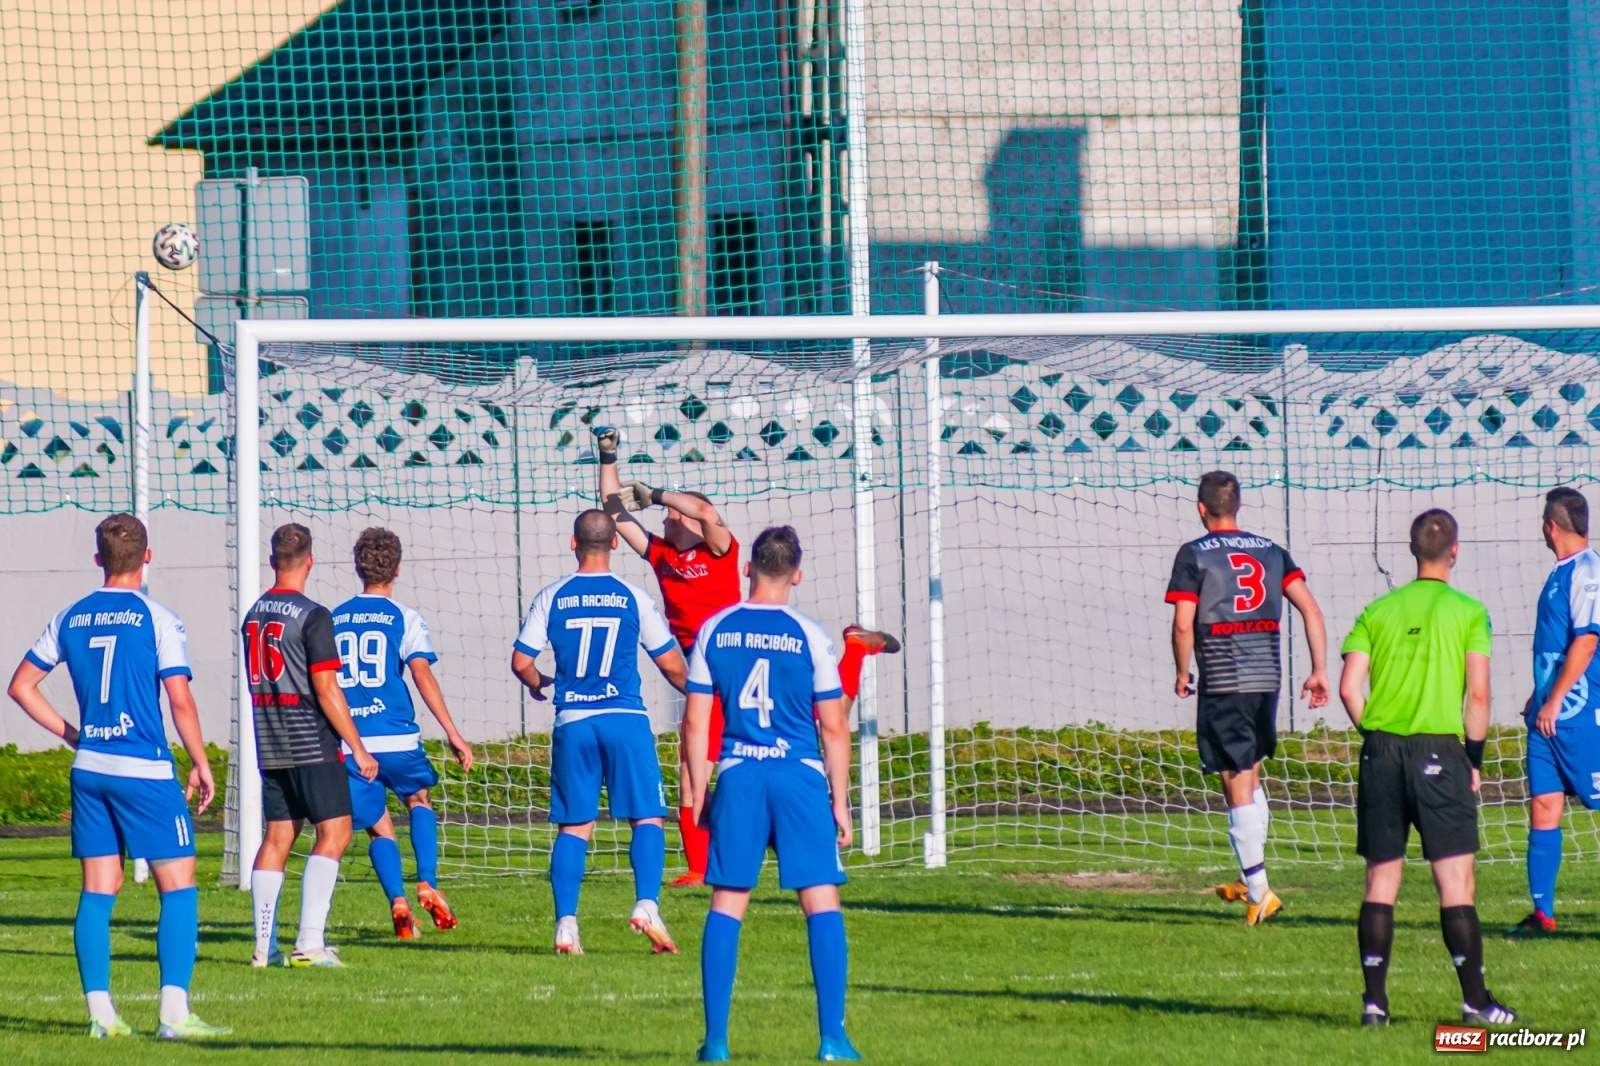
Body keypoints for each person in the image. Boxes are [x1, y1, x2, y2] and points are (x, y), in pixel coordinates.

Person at [594, 425, 898, 886]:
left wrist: (657, 494)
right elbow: (613, 513)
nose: (668, 521)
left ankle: (853, 651)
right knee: (691, 765)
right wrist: (608, 456)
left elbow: (703, 509)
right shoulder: (660, 556)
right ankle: (699, 867)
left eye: (677, 517)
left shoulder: (720, 550)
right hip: (707, 672)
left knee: (825, 718)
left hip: (742, 657)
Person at [6, 514, 229, 1039]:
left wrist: (71, 733)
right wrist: (199, 760)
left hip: (90, 770)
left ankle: (101, 1017)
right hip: (144, 770)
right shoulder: (159, 618)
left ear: (97, 560)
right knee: (179, 885)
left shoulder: (69, 616)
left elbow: (20, 686)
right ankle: (174, 1015)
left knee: (97, 890)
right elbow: (179, 698)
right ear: (147, 557)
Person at [685, 525, 860, 1063]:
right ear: (797, 575)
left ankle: (716, 1045)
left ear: (748, 568)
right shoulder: (810, 634)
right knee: (820, 900)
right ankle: (832, 1040)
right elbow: (833, 727)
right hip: (799, 776)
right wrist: (841, 801)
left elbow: (695, 721)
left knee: (728, 902)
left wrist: (697, 791)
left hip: (738, 773)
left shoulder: (714, 629)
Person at [1338, 508, 1516, 1028]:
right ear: (1454, 551)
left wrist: (1374, 736)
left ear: (1412, 551)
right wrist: (1475, 761)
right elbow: (1478, 694)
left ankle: (1374, 1004)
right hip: (1440, 751)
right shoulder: (1468, 611)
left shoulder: (1378, 609)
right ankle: (1476, 1002)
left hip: (1381, 751)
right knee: (1455, 882)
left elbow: (1350, 688)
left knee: (1380, 881)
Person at [511, 509, 689, 954]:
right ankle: (646, 903)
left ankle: (566, 925)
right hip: (625, 719)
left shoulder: (552, 595)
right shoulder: (633, 596)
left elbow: (520, 661)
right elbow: (669, 663)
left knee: (575, 826)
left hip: (574, 721)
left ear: (574, 544)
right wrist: (704, 695)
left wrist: (538, 684)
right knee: (647, 816)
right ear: (614, 544)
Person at [1165, 470, 1329, 924]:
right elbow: (1311, 609)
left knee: (1236, 779)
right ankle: (1248, 874)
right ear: (1238, 505)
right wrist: (1318, 670)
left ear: (1201, 508)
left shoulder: (1194, 553)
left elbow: (1183, 623)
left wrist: (1183, 670)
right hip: (1266, 679)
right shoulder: (1272, 550)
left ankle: (1259, 889)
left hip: (1223, 679)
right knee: (1245, 774)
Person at [245, 523, 379, 969]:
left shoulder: (254, 614)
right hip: (310, 741)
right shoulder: (313, 615)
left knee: (278, 837)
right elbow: (326, 688)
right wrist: (357, 747)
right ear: (311, 560)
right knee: (335, 833)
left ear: (271, 562)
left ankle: (265, 947)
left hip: (270, 739)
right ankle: (309, 943)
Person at [332, 527, 474, 940]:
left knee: (379, 825)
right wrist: (453, 732)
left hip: (353, 744)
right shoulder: (404, 617)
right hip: (398, 740)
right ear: (397, 569)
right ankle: (427, 881)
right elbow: (421, 673)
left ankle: (397, 900)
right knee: (418, 799)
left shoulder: (333, 618)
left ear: (358, 568)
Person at [1509, 487, 1600, 936]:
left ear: (1551, 526)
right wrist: (1539, 694)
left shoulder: (1587, 572)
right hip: (1548, 713)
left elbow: (1586, 641)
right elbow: (1557, 645)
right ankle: (1542, 913)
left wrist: (1557, 698)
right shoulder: (1561, 571)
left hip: (1581, 713)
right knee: (1543, 804)